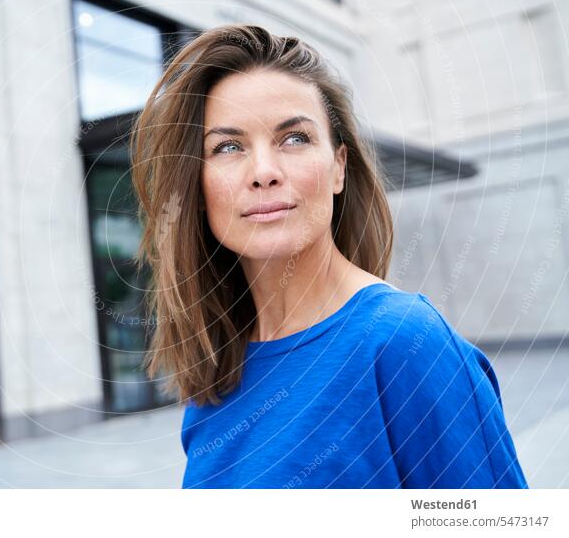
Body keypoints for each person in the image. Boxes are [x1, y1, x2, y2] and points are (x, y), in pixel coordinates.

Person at [128, 24, 528, 489]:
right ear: (197, 189)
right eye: (228, 147)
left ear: (338, 166)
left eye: (293, 138)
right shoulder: (215, 381)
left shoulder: (404, 344)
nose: (264, 172)